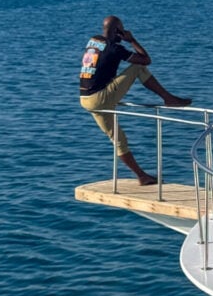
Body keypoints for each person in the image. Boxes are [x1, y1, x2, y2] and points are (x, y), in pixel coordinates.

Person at [79, 15, 192, 184]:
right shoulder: (115, 49)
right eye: (122, 29)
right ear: (118, 31)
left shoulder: (93, 41)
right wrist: (131, 40)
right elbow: (146, 60)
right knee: (138, 67)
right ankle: (169, 99)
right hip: (101, 97)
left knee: (119, 140)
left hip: (86, 99)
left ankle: (142, 176)